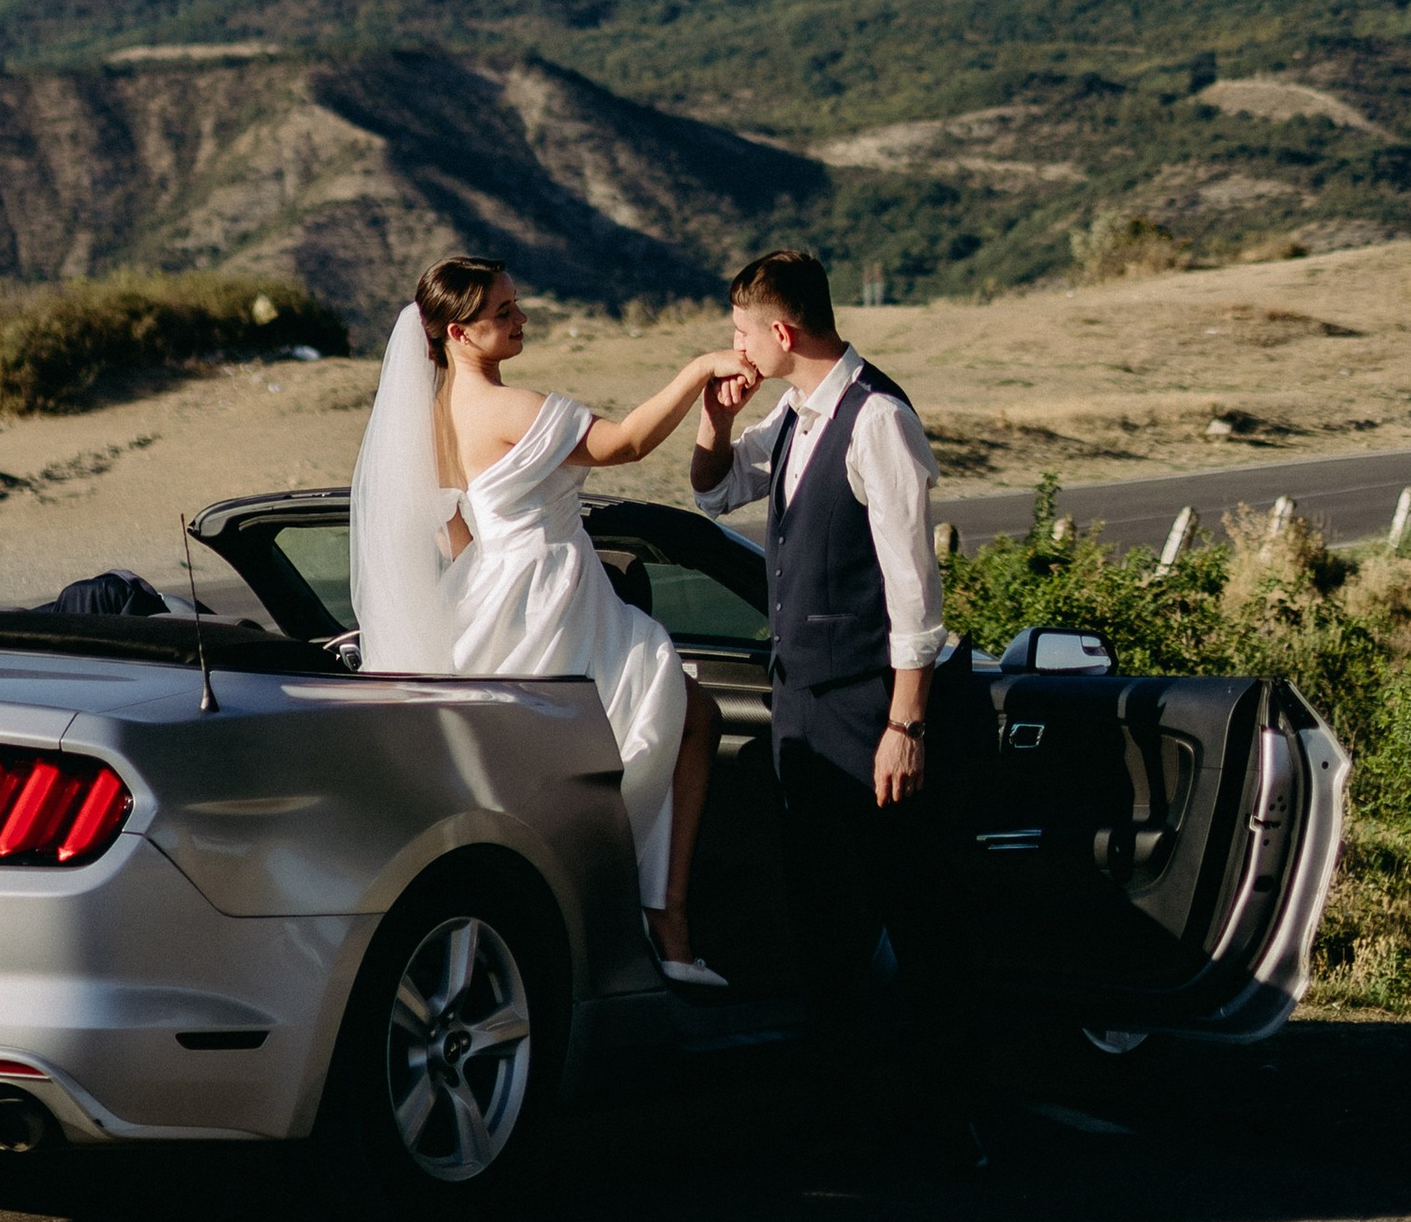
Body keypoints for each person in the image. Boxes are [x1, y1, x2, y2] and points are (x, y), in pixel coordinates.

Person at [348, 255, 738, 982]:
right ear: (460, 334)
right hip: (553, 592)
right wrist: (698, 370)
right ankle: (665, 919)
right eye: (504, 311)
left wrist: (487, 581)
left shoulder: (429, 420)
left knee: (558, 769)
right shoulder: (505, 407)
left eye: (516, 304)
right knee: (676, 722)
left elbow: (450, 531)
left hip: (499, 591)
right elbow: (625, 444)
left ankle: (620, 926)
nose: (522, 318)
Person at [691, 245, 974, 1154]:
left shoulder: (877, 418)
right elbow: (717, 493)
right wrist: (714, 423)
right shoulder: (796, 412)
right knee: (824, 923)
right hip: (802, 708)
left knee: (914, 915)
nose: (733, 347)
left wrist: (905, 724)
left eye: (740, 332)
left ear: (782, 330)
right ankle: (841, 1118)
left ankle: (948, 1119)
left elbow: (913, 592)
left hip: (869, 707)